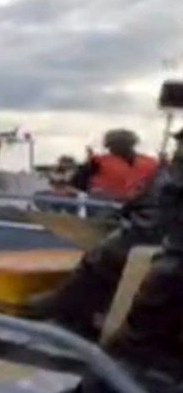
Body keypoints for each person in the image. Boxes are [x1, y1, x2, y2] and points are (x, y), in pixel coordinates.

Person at [35, 129, 183, 339]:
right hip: (116, 210)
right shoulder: (147, 164)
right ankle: (74, 308)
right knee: (105, 249)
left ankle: (68, 310)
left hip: (146, 222)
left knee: (109, 253)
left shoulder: (156, 168)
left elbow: (160, 201)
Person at [68, 128, 159, 202]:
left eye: (113, 145)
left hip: (139, 209)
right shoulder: (97, 163)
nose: (111, 149)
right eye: (110, 146)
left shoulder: (151, 164)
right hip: (104, 206)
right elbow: (75, 185)